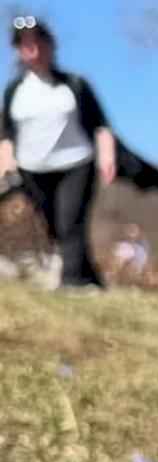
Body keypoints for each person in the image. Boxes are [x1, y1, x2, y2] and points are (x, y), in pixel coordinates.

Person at [0, 17, 114, 287]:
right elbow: (7, 135)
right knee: (56, 226)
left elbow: (101, 125)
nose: (33, 49)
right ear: (19, 50)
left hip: (76, 163)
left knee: (70, 221)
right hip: (33, 169)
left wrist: (107, 154)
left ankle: (72, 284)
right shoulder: (15, 91)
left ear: (50, 45)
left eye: (38, 42)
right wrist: (4, 164)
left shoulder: (74, 84)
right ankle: (92, 281)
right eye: (25, 45)